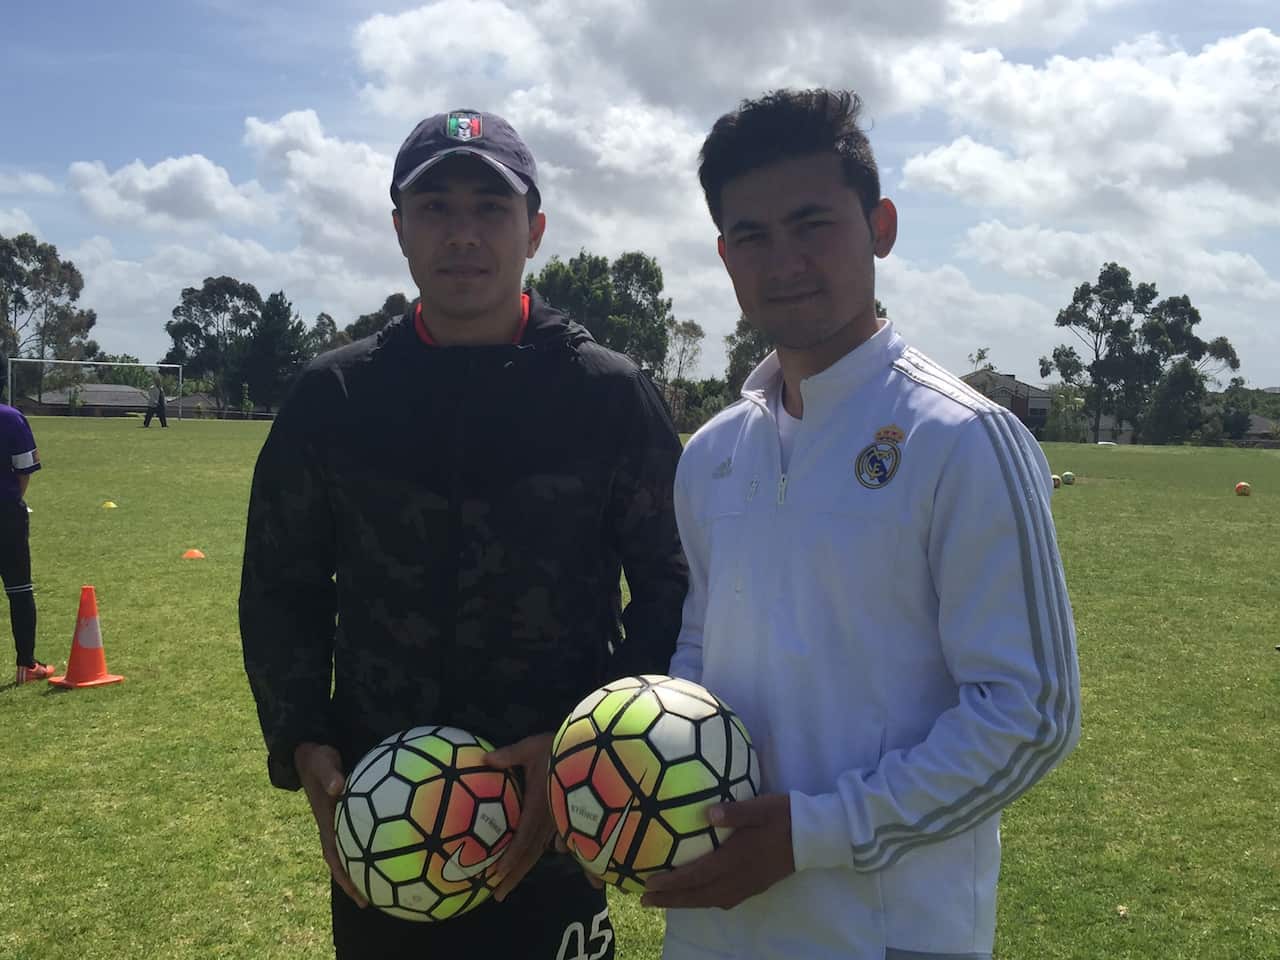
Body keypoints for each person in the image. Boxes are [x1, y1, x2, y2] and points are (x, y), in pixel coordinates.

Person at [239, 108, 688, 959]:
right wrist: (303, 741)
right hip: (386, 812)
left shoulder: (605, 394)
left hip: (555, 811)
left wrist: (587, 751)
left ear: (535, 230)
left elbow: (673, 581)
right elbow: (281, 586)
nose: (463, 234)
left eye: (490, 208)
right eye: (436, 207)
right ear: (400, 228)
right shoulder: (332, 400)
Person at [645, 89, 1082, 960]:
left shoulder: (963, 439)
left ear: (880, 226)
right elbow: (701, 652)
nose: (785, 261)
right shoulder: (713, 452)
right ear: (725, 256)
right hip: (717, 926)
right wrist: (628, 789)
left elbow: (1028, 713)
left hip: (888, 933)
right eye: (753, 237)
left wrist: (815, 834)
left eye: (814, 224)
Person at [2, 401, 52, 684]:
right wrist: (12, 502)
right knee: (19, 589)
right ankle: (27, 664)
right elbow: (24, 467)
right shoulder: (11, 417)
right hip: (6, 513)